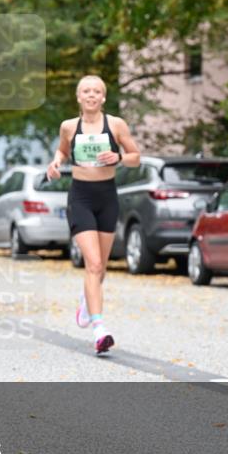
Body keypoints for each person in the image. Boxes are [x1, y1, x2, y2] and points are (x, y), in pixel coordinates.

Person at [47, 75, 141, 354]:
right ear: (78, 97)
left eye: (96, 91)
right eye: (86, 91)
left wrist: (120, 158)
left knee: (100, 268)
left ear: (103, 97)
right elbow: (62, 151)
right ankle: (99, 328)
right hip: (81, 197)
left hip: (107, 196)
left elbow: (136, 155)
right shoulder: (68, 126)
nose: (91, 95)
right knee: (94, 263)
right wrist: (56, 163)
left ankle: (86, 300)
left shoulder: (115, 124)